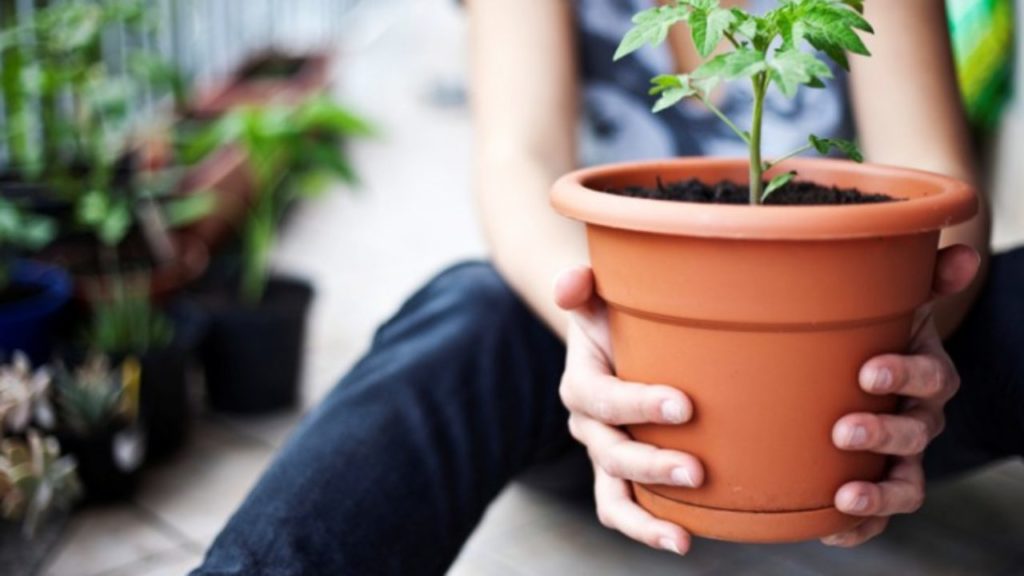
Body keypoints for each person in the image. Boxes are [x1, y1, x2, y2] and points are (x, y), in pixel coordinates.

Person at [192, 1, 1020, 574]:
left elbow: (935, 186)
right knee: (472, 308)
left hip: (865, 393)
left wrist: (904, 331)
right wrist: (606, 335)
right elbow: (518, 158)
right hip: (616, 403)